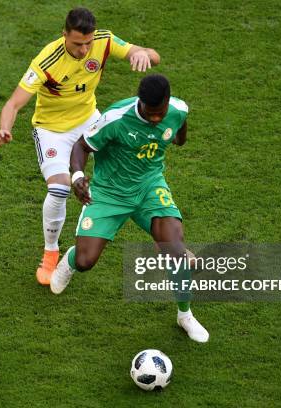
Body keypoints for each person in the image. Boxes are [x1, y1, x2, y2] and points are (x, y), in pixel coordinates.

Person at [0, 7, 160, 285]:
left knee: (129, 168)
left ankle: (155, 231)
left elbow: (152, 55)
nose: (84, 51)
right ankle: (50, 253)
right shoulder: (47, 60)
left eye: (87, 43)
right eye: (77, 44)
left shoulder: (104, 40)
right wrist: (4, 129)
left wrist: (140, 53)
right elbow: (13, 103)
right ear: (64, 35)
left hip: (88, 121)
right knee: (59, 187)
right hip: (52, 130)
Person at [50, 74, 209, 343]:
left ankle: (185, 314)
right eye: (150, 113)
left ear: (168, 102)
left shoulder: (178, 110)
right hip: (109, 192)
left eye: (161, 113)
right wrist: (78, 177)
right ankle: (70, 261)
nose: (156, 119)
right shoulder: (116, 118)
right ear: (140, 103)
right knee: (86, 261)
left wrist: (174, 133)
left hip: (149, 187)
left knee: (175, 248)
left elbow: (180, 135)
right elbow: (82, 145)